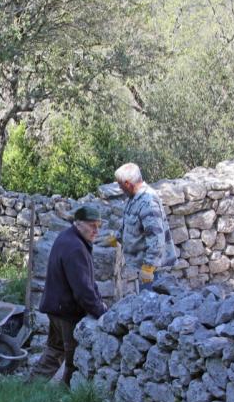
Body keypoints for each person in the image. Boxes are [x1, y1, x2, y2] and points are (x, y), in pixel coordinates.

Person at [32, 206, 107, 387]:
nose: (96, 230)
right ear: (79, 224)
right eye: (92, 225)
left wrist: (99, 302)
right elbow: (83, 290)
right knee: (74, 359)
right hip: (66, 312)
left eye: (98, 225)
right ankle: (67, 397)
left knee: (54, 351)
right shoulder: (75, 248)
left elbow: (88, 282)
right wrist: (102, 314)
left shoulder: (68, 237)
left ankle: (29, 389)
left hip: (56, 308)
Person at [109, 162, 177, 291]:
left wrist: (149, 267)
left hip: (152, 270)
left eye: (120, 184)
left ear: (128, 183)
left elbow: (156, 237)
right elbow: (129, 223)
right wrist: (116, 238)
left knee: (151, 304)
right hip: (143, 265)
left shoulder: (147, 202)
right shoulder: (133, 197)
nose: (119, 187)